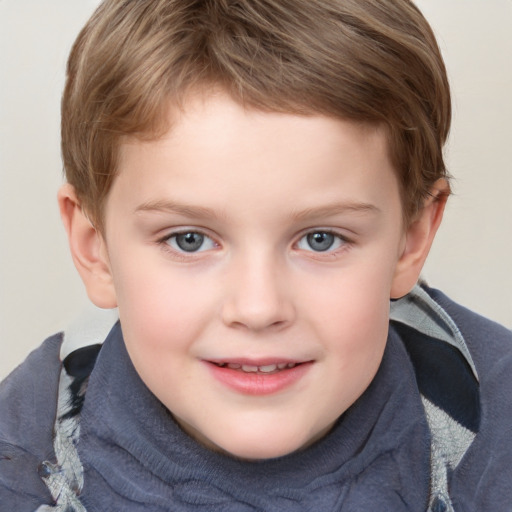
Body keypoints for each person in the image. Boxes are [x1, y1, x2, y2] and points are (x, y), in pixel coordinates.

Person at [1, 0, 511, 510]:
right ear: (97, 250)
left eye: (321, 239)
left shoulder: (495, 432)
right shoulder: (23, 461)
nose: (258, 308)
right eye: (189, 240)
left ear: (412, 237)